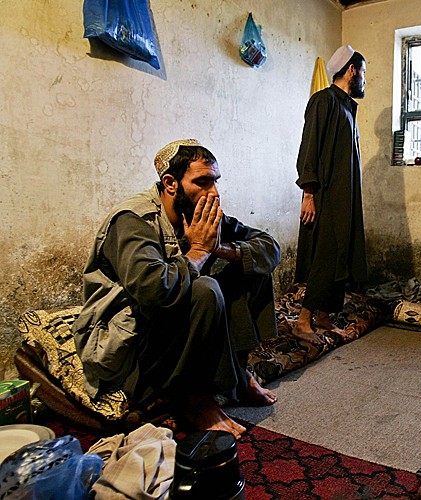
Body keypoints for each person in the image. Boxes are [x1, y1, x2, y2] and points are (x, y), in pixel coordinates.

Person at [72, 139, 280, 439]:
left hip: (164, 333)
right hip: (124, 345)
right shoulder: (132, 221)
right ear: (171, 183)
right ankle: (195, 400)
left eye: (215, 181)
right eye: (202, 182)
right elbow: (154, 292)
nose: (214, 192)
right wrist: (198, 251)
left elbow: (269, 247)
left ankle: (237, 373)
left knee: (248, 264)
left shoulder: (199, 211)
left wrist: (223, 250)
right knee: (204, 289)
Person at [293, 45, 369, 343]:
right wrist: (308, 193)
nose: (363, 78)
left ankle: (323, 317)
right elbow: (309, 147)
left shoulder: (346, 106)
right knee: (325, 255)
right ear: (351, 70)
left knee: (340, 253)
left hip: (344, 197)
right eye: (362, 72)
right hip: (324, 196)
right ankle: (302, 320)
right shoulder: (323, 101)